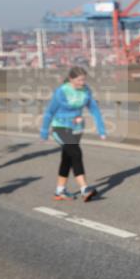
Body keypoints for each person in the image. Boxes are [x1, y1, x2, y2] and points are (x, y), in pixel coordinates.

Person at [40, 66, 107, 201]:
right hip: (60, 127)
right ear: (71, 79)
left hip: (76, 129)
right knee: (76, 153)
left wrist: (101, 130)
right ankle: (84, 189)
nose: (82, 83)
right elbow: (50, 112)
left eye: (84, 80)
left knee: (68, 158)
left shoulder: (86, 91)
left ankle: (60, 191)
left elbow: (94, 110)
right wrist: (44, 131)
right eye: (79, 80)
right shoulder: (62, 91)